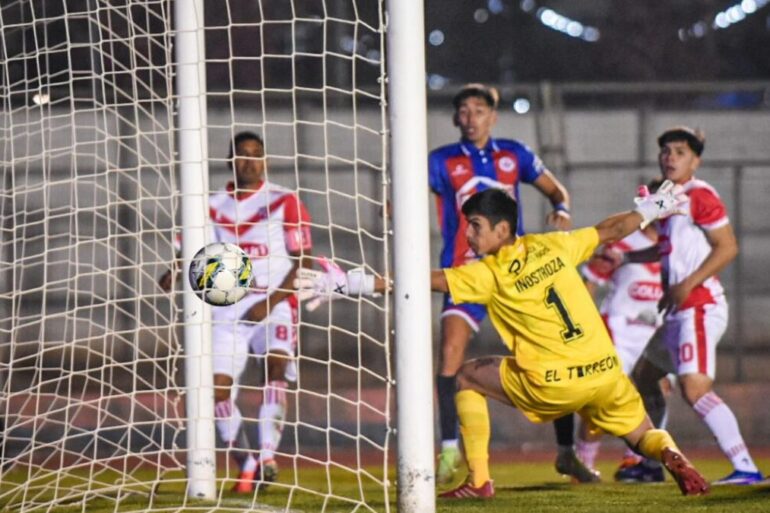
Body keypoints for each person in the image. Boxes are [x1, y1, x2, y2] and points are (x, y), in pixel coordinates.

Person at [297, 184, 710, 498]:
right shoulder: (554, 246)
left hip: (553, 383)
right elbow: (610, 230)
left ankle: (478, 478)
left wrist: (355, 282)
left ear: (502, 229)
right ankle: (673, 455)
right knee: (640, 435)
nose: (470, 236)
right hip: (604, 371)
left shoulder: (490, 272)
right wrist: (655, 206)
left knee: (465, 376)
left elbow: (426, 281)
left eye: (475, 227)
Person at [428, 83, 591, 485]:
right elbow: (409, 194)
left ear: (493, 116)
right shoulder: (441, 160)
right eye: (463, 111)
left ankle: (566, 452)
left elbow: (556, 190)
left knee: (549, 353)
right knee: (449, 352)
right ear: (455, 118)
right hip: (465, 272)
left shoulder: (513, 154)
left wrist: (563, 210)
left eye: (479, 110)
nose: (471, 118)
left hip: (514, 274)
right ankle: (449, 449)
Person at [160, 131, 313, 493]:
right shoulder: (211, 204)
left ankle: (268, 455)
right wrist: (175, 269)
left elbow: (303, 259)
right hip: (227, 306)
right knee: (215, 390)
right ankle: (246, 462)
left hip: (274, 302)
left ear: (266, 160)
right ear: (230, 160)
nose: (250, 161)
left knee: (275, 369)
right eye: (243, 155)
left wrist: (270, 302)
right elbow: (189, 249)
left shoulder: (284, 200)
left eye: (257, 154)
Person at [621, 126, 763, 485]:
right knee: (644, 378)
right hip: (678, 309)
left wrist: (687, 283)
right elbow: (669, 249)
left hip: (698, 305)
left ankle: (745, 466)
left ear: (695, 160)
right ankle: (652, 463)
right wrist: (623, 257)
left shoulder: (699, 195)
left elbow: (727, 246)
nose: (670, 157)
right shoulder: (671, 199)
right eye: (666, 151)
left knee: (695, 388)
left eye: (680, 152)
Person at [575, 181, 669, 481]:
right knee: (602, 402)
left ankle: (637, 462)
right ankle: (582, 462)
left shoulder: (678, 248)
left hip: (653, 336)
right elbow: (588, 283)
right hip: (617, 332)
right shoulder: (625, 243)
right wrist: (579, 328)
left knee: (655, 393)